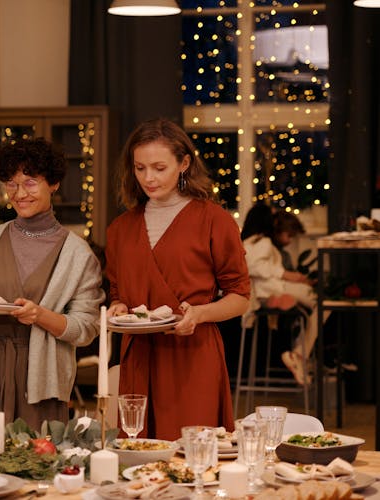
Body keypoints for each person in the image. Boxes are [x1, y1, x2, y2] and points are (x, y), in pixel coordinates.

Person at [0, 137, 104, 429]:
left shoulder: (78, 254)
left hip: (43, 376)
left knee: (37, 460)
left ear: (53, 183)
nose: (19, 194)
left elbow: (86, 329)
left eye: (30, 183)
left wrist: (39, 315)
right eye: (12, 184)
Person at [105, 118, 250, 440]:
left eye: (159, 167)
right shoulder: (120, 229)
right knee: (139, 460)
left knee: (192, 459)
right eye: (140, 168)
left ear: (184, 163)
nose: (148, 178)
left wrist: (200, 314)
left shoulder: (215, 220)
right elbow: (119, 292)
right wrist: (117, 306)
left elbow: (240, 296)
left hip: (192, 355)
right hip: (138, 355)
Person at [241, 204, 319, 385]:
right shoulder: (261, 242)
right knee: (322, 303)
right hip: (275, 288)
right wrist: (287, 275)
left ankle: (299, 354)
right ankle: (299, 354)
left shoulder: (252, 241)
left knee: (317, 305)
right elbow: (254, 267)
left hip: (274, 289)